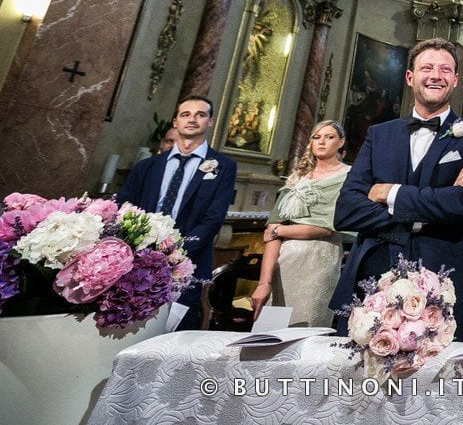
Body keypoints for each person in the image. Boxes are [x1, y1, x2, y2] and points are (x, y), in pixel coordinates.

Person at [330, 38, 463, 340]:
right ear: (409, 77)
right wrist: (434, 207)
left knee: (440, 369)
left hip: (445, 276)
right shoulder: (378, 134)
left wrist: (389, 193)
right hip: (373, 273)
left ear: (456, 79)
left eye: (445, 69)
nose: (435, 76)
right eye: (426, 68)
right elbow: (346, 211)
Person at [118, 95, 237, 331]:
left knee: (178, 331)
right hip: (140, 260)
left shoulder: (223, 166)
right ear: (175, 121)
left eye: (200, 115)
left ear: (210, 122)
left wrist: (176, 251)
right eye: (185, 114)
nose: (192, 119)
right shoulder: (147, 166)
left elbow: (213, 218)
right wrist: (143, 248)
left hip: (188, 261)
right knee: (134, 328)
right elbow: (124, 209)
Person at [251, 120, 351, 327]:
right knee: (269, 330)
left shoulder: (349, 176)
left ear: (341, 142)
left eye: (329, 137)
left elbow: (327, 227)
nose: (321, 142)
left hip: (319, 261)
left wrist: (281, 230)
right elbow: (271, 230)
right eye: (316, 137)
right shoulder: (298, 177)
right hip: (284, 261)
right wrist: (264, 282)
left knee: (306, 328)